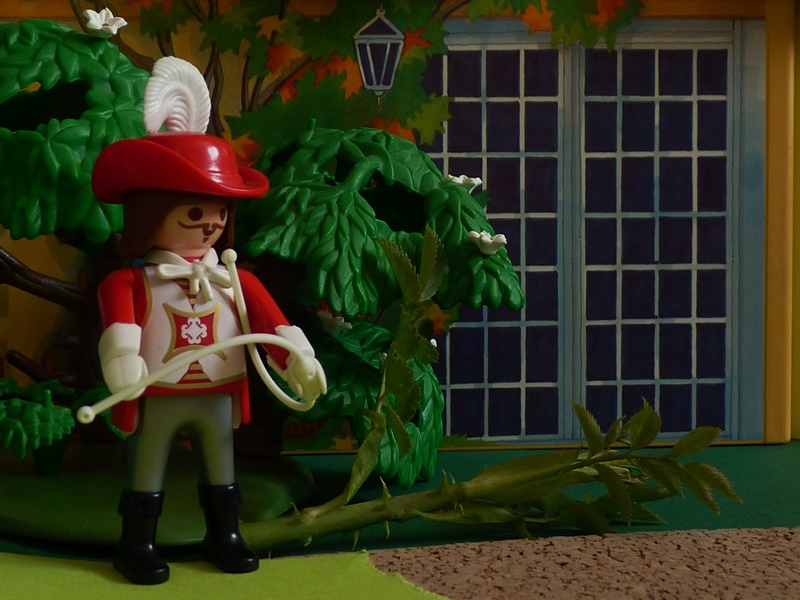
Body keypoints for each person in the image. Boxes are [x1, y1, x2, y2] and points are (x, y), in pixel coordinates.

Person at [92, 130, 325, 585]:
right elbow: (119, 333)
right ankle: (138, 543)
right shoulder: (128, 283)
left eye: (219, 211)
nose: (211, 224)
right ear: (150, 212)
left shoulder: (235, 280)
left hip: (218, 394)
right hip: (158, 394)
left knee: (222, 468)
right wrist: (121, 361)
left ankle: (224, 534)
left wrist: (298, 360)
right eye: (195, 212)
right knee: (147, 470)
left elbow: (274, 328)